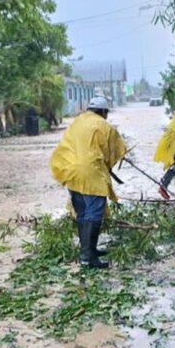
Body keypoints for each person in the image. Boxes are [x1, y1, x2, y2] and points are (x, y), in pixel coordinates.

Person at [50, 97, 126, 269]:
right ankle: (88, 257)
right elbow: (116, 150)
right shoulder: (104, 126)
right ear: (104, 112)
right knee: (94, 213)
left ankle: (88, 250)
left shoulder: (76, 122)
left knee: (82, 212)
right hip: (91, 174)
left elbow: (65, 146)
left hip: (71, 172)